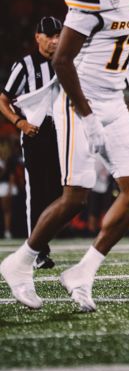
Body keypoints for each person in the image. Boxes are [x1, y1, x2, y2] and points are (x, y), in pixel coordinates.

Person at [0, 0, 129, 311]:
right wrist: (86, 115)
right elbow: (62, 60)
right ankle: (20, 262)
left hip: (113, 101)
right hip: (79, 100)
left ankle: (83, 271)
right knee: (75, 198)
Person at [0, 16, 63, 268]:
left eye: (58, 36)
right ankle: (36, 252)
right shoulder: (25, 65)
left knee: (59, 191)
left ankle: (41, 243)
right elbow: (3, 100)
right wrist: (20, 123)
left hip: (62, 131)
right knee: (37, 192)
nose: (54, 41)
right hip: (36, 131)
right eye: (49, 36)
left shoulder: (66, 61)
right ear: (38, 37)